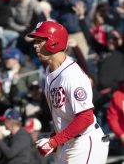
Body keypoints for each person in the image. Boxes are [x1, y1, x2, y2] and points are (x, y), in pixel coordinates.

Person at [27, 21, 110, 163]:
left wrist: (54, 142)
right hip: (70, 143)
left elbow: (86, 117)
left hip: (86, 142)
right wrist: (54, 138)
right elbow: (64, 117)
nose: (35, 44)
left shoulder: (72, 74)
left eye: (40, 40)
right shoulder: (49, 72)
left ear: (54, 42)